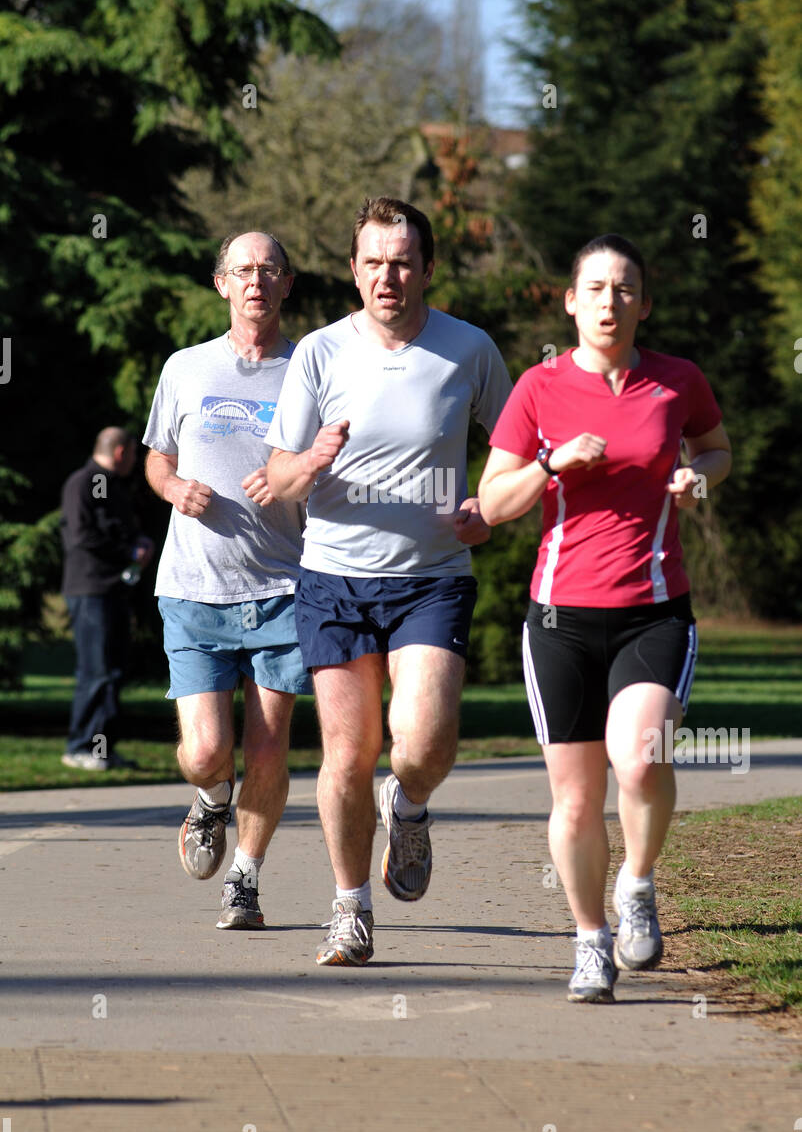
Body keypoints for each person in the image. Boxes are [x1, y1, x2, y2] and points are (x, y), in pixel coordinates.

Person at [478, 234, 731, 1002]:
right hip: (560, 619)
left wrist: (698, 475)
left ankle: (640, 882)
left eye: (625, 289)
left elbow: (717, 449)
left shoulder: (676, 382)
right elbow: (491, 504)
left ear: (644, 304)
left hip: (654, 610)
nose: (609, 302)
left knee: (643, 758)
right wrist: (551, 464)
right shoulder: (539, 388)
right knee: (578, 798)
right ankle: (591, 941)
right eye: (595, 288)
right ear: (571, 301)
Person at [264, 196, 512, 965]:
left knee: (425, 742)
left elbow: (512, 451)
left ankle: (408, 805)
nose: (388, 276)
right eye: (373, 261)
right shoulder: (318, 353)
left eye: (402, 261)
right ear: (353, 269)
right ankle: (350, 909)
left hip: (432, 579)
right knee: (346, 752)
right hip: (335, 578)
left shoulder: (468, 350)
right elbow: (277, 471)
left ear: (428, 268)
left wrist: (489, 509)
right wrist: (309, 463)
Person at [143, 231, 310, 930]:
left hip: (284, 590)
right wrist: (176, 487)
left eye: (269, 269)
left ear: (286, 284)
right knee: (209, 748)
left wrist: (294, 477)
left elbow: (339, 464)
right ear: (221, 284)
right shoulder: (185, 367)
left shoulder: (311, 368)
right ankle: (211, 799)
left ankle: (245, 877)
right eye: (243, 270)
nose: (256, 281)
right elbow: (156, 459)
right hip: (193, 586)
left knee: (269, 747)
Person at [60, 427, 154, 770]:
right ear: (120, 452)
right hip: (90, 590)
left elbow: (115, 529)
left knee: (113, 671)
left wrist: (138, 543)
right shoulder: (84, 482)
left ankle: (102, 749)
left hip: (112, 590)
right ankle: (80, 746)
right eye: (132, 454)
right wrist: (128, 549)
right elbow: (82, 536)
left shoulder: (111, 486)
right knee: (96, 671)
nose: (134, 461)